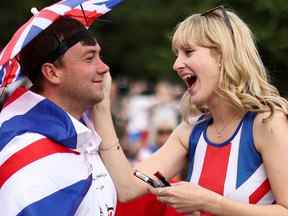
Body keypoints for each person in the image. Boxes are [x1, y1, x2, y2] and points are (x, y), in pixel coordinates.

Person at [93, 5, 288, 216]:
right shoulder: (189, 131)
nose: (177, 65)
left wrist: (208, 202)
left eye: (188, 52)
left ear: (223, 54)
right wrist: (101, 107)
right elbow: (127, 188)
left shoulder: (267, 122)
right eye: (177, 54)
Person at [0, 16, 117, 216]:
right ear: (52, 73)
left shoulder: (80, 137)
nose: (104, 68)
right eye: (90, 58)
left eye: (100, 56)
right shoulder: (30, 154)